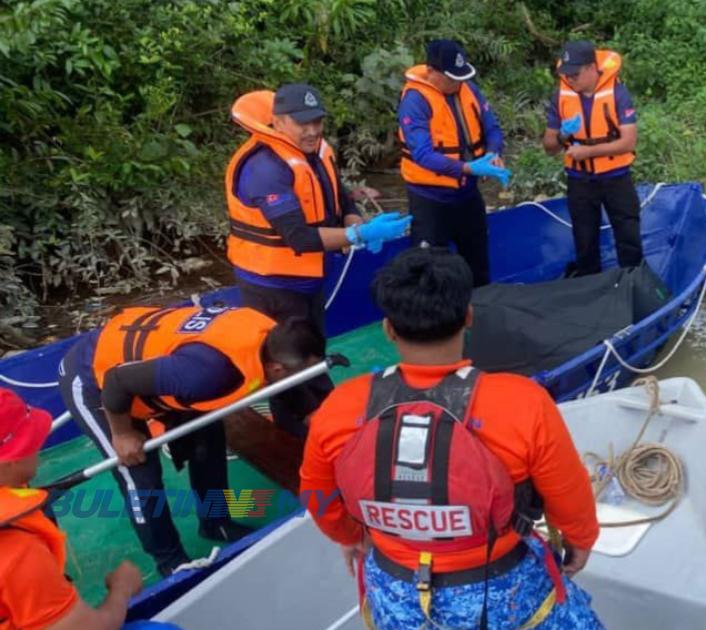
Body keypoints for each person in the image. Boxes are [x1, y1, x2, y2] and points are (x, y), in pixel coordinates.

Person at [301, 248, 603, 629]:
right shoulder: (523, 401)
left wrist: (352, 535)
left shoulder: (340, 406)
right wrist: (581, 539)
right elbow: (568, 493)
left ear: (388, 329)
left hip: (396, 586)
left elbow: (317, 493)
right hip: (503, 585)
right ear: (468, 317)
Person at [57, 305, 325, 577]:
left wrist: (313, 415)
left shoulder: (274, 338)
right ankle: (171, 563)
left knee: (208, 438)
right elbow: (117, 382)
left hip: (158, 372)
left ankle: (214, 521)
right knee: (140, 474)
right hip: (97, 380)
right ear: (277, 368)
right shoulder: (205, 374)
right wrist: (123, 434)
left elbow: (289, 384)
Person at [226, 83, 412, 437]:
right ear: (278, 122)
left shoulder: (318, 151)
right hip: (272, 282)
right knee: (286, 360)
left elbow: (338, 197)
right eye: (302, 123)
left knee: (311, 349)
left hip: (308, 277)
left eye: (317, 121)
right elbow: (299, 236)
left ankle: (307, 421)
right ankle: (305, 426)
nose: (312, 130)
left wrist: (355, 222)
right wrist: (357, 237)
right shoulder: (265, 169)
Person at [0, 387, 144, 629]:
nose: (39, 447)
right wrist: (123, 587)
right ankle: (173, 557)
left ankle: (227, 511)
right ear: (9, 462)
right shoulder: (18, 550)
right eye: (32, 441)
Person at [397, 40, 511, 287]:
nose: (457, 84)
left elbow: (492, 128)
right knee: (427, 269)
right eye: (451, 78)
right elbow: (423, 155)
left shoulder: (468, 89)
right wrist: (467, 168)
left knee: (477, 262)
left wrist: (493, 153)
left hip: (467, 194)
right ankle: (430, 321)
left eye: (461, 77)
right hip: (430, 199)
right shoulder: (415, 101)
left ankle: (479, 312)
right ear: (432, 72)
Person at [542, 41, 641, 277]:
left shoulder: (617, 93)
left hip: (616, 177)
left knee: (627, 232)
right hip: (580, 179)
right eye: (566, 74)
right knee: (584, 237)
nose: (570, 80)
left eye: (575, 74)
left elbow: (628, 141)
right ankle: (589, 282)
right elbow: (549, 147)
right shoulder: (561, 95)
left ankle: (632, 279)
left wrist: (588, 152)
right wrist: (563, 133)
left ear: (590, 68)